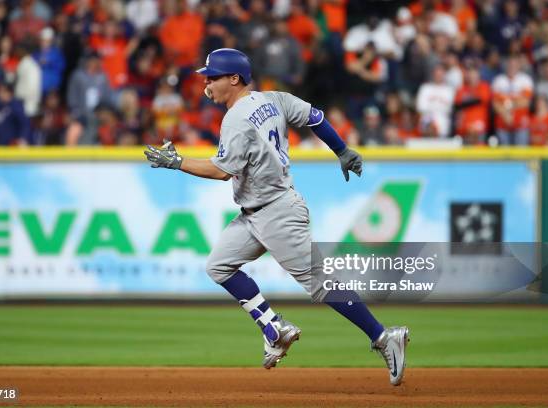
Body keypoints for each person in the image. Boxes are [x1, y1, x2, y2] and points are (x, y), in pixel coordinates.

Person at [143, 48, 409, 386]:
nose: (206, 82)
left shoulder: (236, 118)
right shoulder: (273, 99)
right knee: (218, 266)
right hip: (256, 213)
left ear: (234, 79)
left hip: (277, 212)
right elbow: (315, 117)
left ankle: (385, 337)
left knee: (320, 284)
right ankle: (274, 328)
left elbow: (222, 171)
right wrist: (341, 149)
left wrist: (177, 162)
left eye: (213, 76)